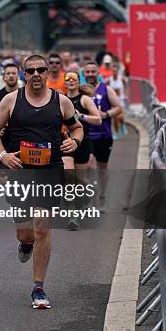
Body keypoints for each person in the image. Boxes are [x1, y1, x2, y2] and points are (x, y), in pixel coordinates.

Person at [0, 55, 83, 309]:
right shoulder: (11, 100)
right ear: (24, 74)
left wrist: (75, 141)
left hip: (50, 170)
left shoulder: (60, 101)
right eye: (31, 71)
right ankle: (25, 242)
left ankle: (38, 288)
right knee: (26, 232)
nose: (37, 74)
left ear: (49, 72)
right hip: (20, 170)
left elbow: (77, 128)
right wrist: (3, 154)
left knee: (42, 226)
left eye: (41, 70)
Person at [63, 71, 102, 230]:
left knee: (80, 179)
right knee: (68, 177)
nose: (71, 81)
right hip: (65, 142)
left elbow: (98, 119)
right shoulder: (61, 99)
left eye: (74, 79)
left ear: (79, 82)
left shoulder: (84, 99)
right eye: (68, 79)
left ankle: (92, 195)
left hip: (82, 142)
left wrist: (82, 117)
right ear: (64, 82)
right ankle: (72, 216)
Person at [84, 61, 122, 211]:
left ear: (98, 73)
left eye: (93, 72)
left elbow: (118, 108)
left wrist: (106, 114)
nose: (91, 74)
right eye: (88, 72)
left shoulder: (106, 89)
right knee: (89, 166)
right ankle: (90, 197)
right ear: (84, 74)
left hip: (104, 135)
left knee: (102, 167)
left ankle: (102, 196)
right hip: (86, 135)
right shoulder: (81, 91)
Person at [108, 62, 128, 139]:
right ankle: (115, 132)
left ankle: (122, 124)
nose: (114, 72)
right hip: (113, 101)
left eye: (115, 71)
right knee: (115, 118)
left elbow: (127, 87)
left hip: (121, 100)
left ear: (118, 71)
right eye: (113, 71)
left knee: (120, 117)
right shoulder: (109, 80)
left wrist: (126, 95)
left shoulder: (122, 79)